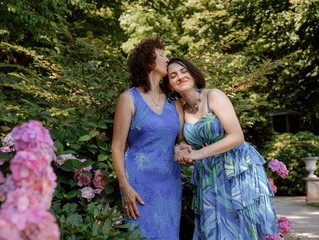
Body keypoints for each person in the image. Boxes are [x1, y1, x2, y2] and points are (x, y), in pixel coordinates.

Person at [163, 57, 280, 240]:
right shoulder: (181, 110)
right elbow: (183, 141)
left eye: (184, 71)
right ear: (170, 86)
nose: (180, 76)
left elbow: (237, 136)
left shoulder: (213, 95)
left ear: (193, 74)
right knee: (216, 228)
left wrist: (199, 153)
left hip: (235, 166)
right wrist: (182, 148)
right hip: (208, 172)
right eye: (173, 75)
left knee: (240, 226)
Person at [111, 38, 189, 239]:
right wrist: (125, 187)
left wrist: (182, 147)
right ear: (148, 63)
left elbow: (180, 139)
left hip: (169, 182)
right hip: (138, 182)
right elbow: (117, 147)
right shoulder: (128, 99)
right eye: (161, 55)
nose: (166, 58)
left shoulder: (175, 101)